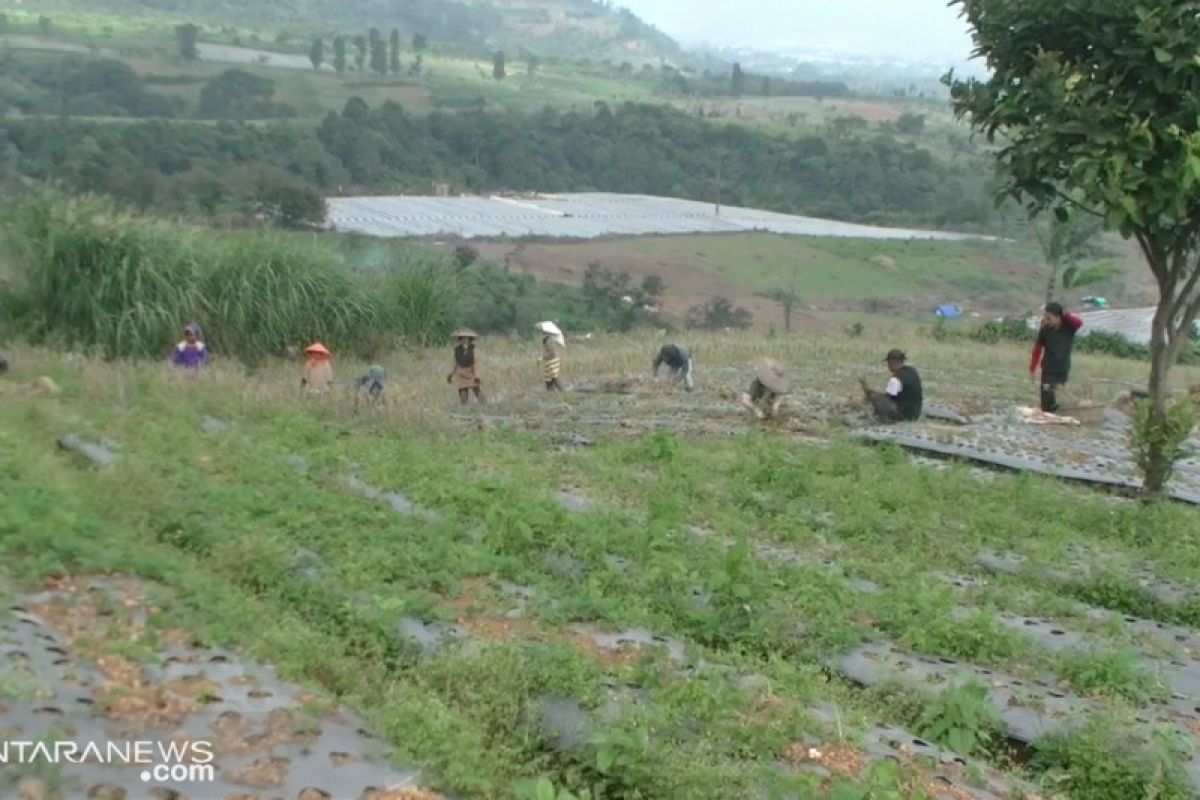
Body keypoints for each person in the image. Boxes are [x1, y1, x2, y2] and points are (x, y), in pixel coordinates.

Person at [1030, 302, 1084, 413]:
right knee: (1046, 400)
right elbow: (1037, 349)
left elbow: (1079, 323)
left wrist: (1065, 314)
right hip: (1048, 369)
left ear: (1058, 317)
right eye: (1045, 318)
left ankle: (1057, 417)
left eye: (1049, 318)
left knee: (1059, 396)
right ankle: (1048, 416)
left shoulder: (1069, 327)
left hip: (1062, 368)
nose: (1046, 321)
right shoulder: (1045, 330)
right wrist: (1032, 367)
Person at [861, 349, 923, 422]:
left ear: (892, 362)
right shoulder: (912, 371)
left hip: (905, 414)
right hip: (916, 413)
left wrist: (869, 391)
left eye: (888, 363)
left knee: (874, 397)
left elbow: (887, 399)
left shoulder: (896, 378)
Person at [448, 329, 483, 404]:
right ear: (460, 339)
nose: (464, 339)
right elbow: (455, 364)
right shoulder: (457, 350)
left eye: (466, 338)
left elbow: (477, 363)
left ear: (470, 339)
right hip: (461, 375)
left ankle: (485, 406)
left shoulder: (474, 350)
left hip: (471, 374)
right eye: (462, 338)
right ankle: (464, 410)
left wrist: (477, 376)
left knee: (478, 394)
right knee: (463, 397)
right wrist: (451, 374)